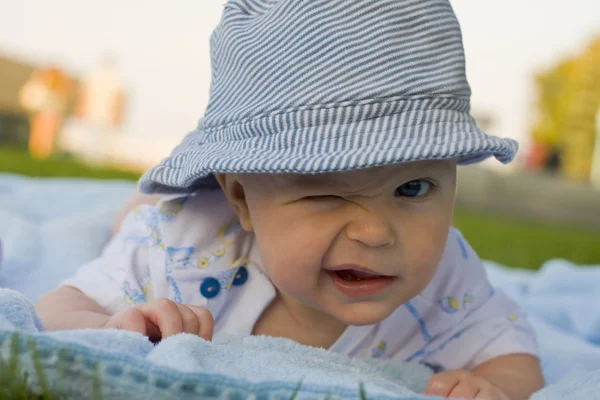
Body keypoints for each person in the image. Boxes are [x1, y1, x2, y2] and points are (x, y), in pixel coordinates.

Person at [35, 1, 545, 399]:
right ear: (241, 196)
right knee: (139, 214)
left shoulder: (448, 274)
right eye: (325, 192)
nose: (375, 231)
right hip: (179, 221)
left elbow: (513, 358)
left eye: (412, 188)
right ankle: (138, 201)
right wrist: (109, 326)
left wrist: (494, 387)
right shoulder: (177, 249)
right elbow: (55, 308)